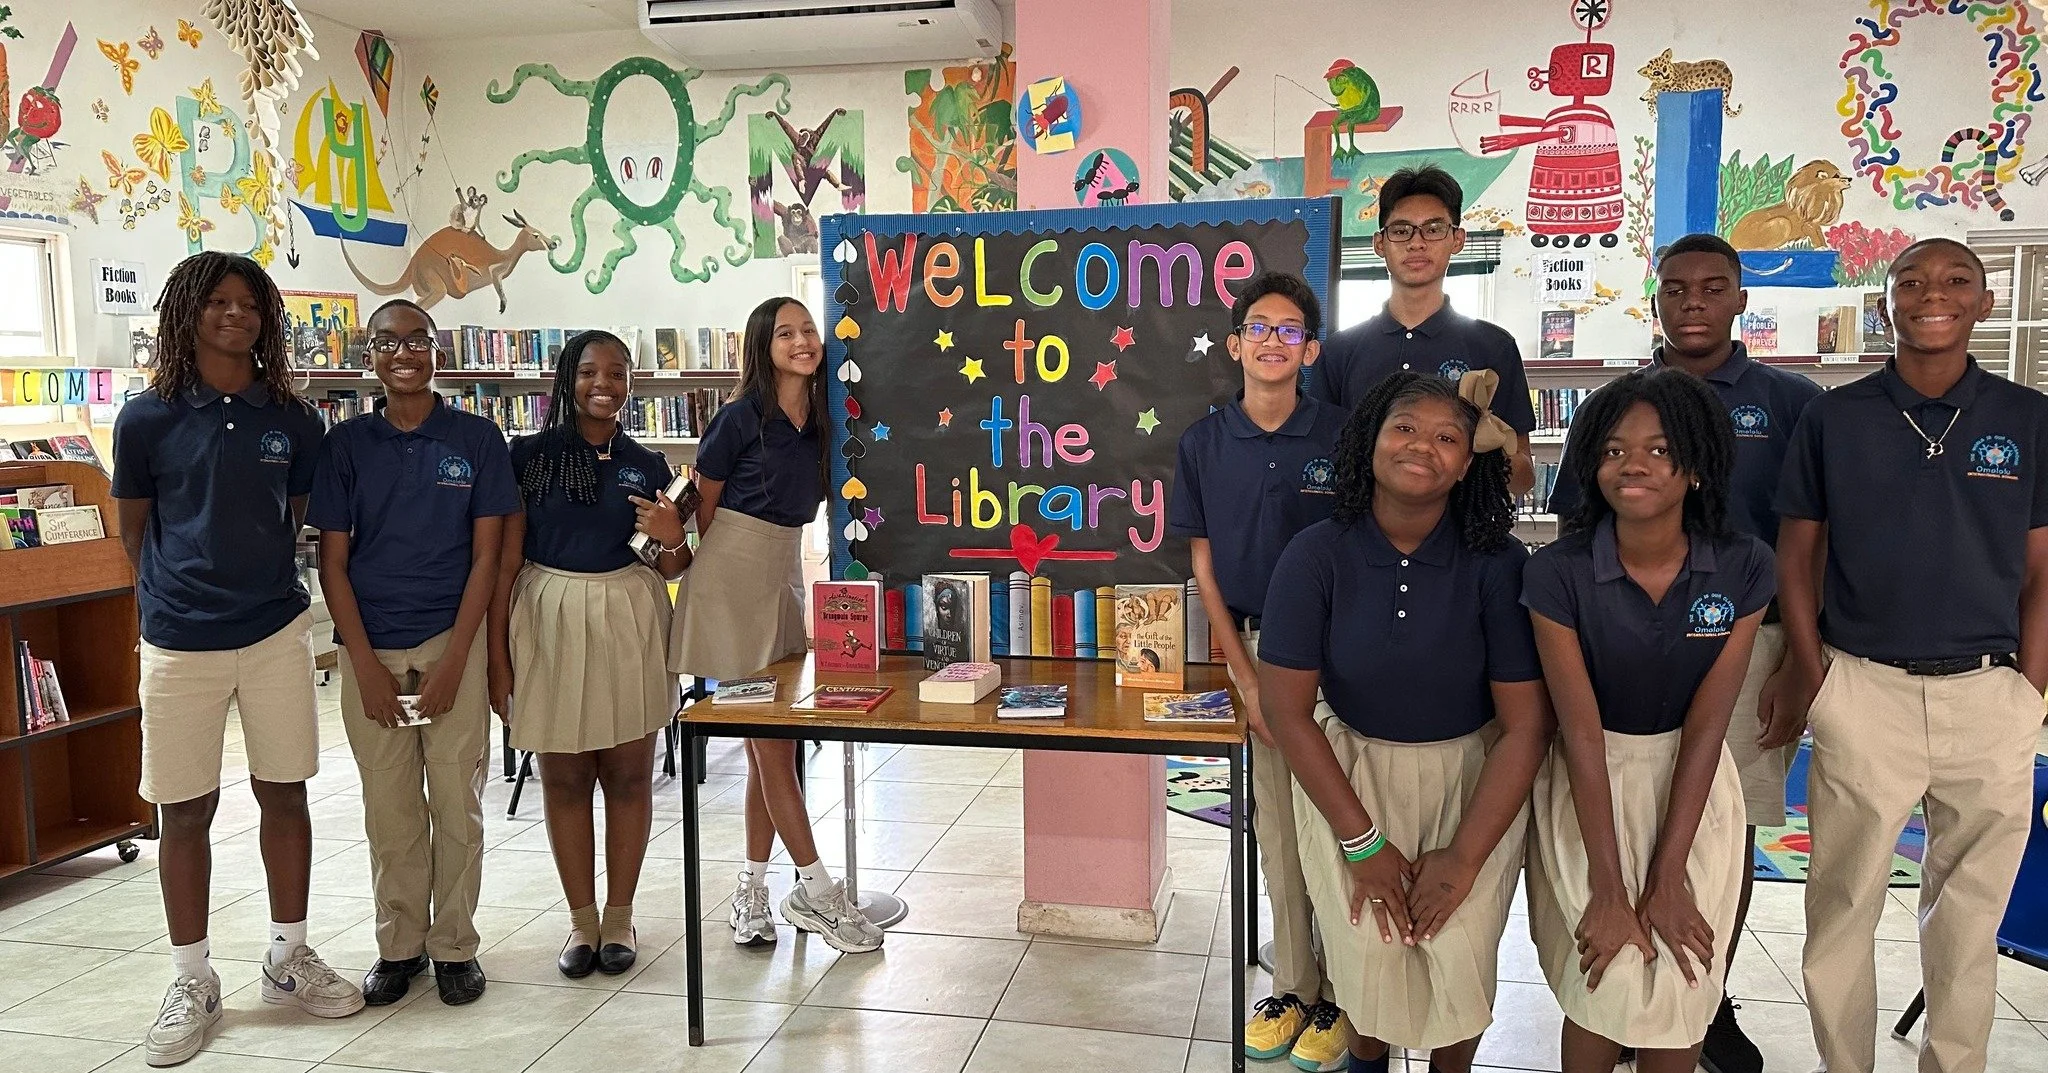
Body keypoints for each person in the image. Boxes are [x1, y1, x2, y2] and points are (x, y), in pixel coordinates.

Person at [1767, 238, 2048, 1073]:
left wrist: (2032, 685)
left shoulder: (2028, 418)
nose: (1934, 294)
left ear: (1984, 302)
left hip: (1991, 695)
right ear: (1886, 302)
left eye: (1957, 280)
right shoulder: (1835, 415)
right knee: (1844, 903)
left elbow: (2042, 564)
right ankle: (1843, 1064)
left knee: (1968, 919)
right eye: (1911, 281)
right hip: (1865, 688)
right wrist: (1816, 671)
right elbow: (1797, 553)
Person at [1544, 232, 1821, 1073]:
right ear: (1656, 298)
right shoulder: (1610, 412)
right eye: (1676, 288)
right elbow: (1572, 534)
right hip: (1612, 641)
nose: (1693, 302)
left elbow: (1809, 534)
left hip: (1738, 631)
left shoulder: (1791, 399)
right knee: (1606, 925)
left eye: (1713, 288)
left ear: (1742, 299)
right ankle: (1620, 995)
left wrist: (1800, 656)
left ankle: (1710, 991)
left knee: (1713, 851)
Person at [1257, 372, 1550, 1073]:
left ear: (1470, 460)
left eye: (1449, 436)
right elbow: (1288, 711)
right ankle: (1366, 1058)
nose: (1424, 446)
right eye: (1405, 427)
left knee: (1459, 956)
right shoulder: (1316, 555)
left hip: (1473, 784)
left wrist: (1464, 859)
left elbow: (1526, 727)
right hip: (1351, 781)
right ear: (1368, 443)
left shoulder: (1499, 563)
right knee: (1369, 961)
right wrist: (1362, 845)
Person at [112, 252, 363, 1067]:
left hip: (271, 631)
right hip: (178, 639)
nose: (234, 315)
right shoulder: (146, 417)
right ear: (186, 312)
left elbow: (292, 518)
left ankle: (287, 958)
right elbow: (135, 530)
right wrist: (162, 605)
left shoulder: (292, 419)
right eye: (216, 302)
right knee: (184, 808)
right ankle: (192, 977)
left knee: (284, 791)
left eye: (248, 304)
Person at [1521, 368, 1771, 1073]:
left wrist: (1666, 877)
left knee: (1682, 978)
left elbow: (1709, 724)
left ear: (1695, 466)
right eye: (1612, 449)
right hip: (1589, 784)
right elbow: (1581, 732)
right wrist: (1609, 884)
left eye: (1660, 449)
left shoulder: (1744, 567)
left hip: (1692, 788)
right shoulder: (1556, 574)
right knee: (1607, 973)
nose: (1632, 463)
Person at [307, 299, 520, 1007]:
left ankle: (454, 944)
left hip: (447, 638)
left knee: (458, 807)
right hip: (371, 647)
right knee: (390, 812)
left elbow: (487, 558)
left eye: (418, 340)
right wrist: (362, 664)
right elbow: (332, 564)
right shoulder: (345, 446)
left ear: (437, 350)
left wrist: (461, 660)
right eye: (388, 342)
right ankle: (400, 944)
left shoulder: (477, 438)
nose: (404, 352)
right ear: (370, 356)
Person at [1168, 271, 1351, 1068]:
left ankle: (1345, 991)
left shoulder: (1344, 434)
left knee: (1340, 823)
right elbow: (1203, 564)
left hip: (1339, 649)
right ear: (1237, 344)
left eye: (1290, 329)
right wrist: (1242, 675)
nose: (1274, 340)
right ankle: (1296, 984)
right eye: (1259, 327)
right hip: (1254, 645)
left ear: (1310, 349)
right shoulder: (1204, 441)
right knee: (1276, 827)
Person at [672, 296, 883, 955]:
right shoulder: (739, 418)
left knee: (776, 746)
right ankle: (816, 891)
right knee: (768, 744)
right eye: (785, 332)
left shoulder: (822, 418)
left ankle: (751, 889)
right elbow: (702, 510)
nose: (802, 340)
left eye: (808, 330)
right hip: (734, 574)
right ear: (763, 346)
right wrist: (725, 577)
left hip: (784, 571)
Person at [487, 330, 696, 979]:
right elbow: (506, 559)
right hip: (548, 615)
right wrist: (498, 654)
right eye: (588, 371)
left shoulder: (647, 462)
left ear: (631, 382)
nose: (603, 382)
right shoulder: (528, 456)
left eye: (617, 371)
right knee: (566, 777)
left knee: (630, 775)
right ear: (565, 379)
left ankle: (619, 916)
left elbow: (674, 565)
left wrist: (671, 537)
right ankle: (580, 920)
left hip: (629, 615)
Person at [1308, 164, 1537, 497]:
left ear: (1457, 239)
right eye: (1401, 230)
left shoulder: (1493, 347)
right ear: (1379, 243)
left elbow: (1523, 478)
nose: (1416, 243)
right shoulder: (1341, 350)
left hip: (1461, 540)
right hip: (1359, 537)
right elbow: (1319, 462)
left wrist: (1490, 443)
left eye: (1433, 229)